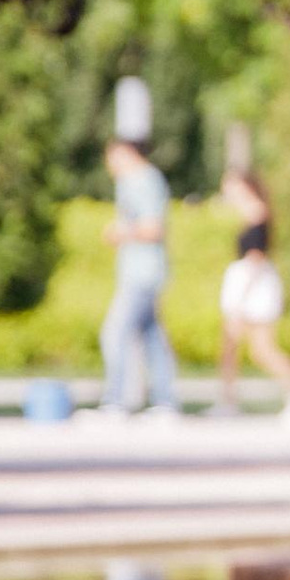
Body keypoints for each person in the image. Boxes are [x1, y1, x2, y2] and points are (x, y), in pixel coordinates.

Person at [99, 93, 180, 416]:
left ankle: (116, 400)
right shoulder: (138, 181)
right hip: (142, 271)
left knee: (115, 333)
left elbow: (154, 227)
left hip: (143, 273)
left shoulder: (143, 180)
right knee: (151, 339)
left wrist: (123, 233)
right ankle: (165, 401)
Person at [215, 164, 290, 406]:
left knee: (261, 349)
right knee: (230, 347)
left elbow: (256, 258)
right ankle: (228, 400)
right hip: (247, 281)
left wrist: (241, 297)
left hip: (254, 285)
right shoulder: (247, 215)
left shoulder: (258, 215)